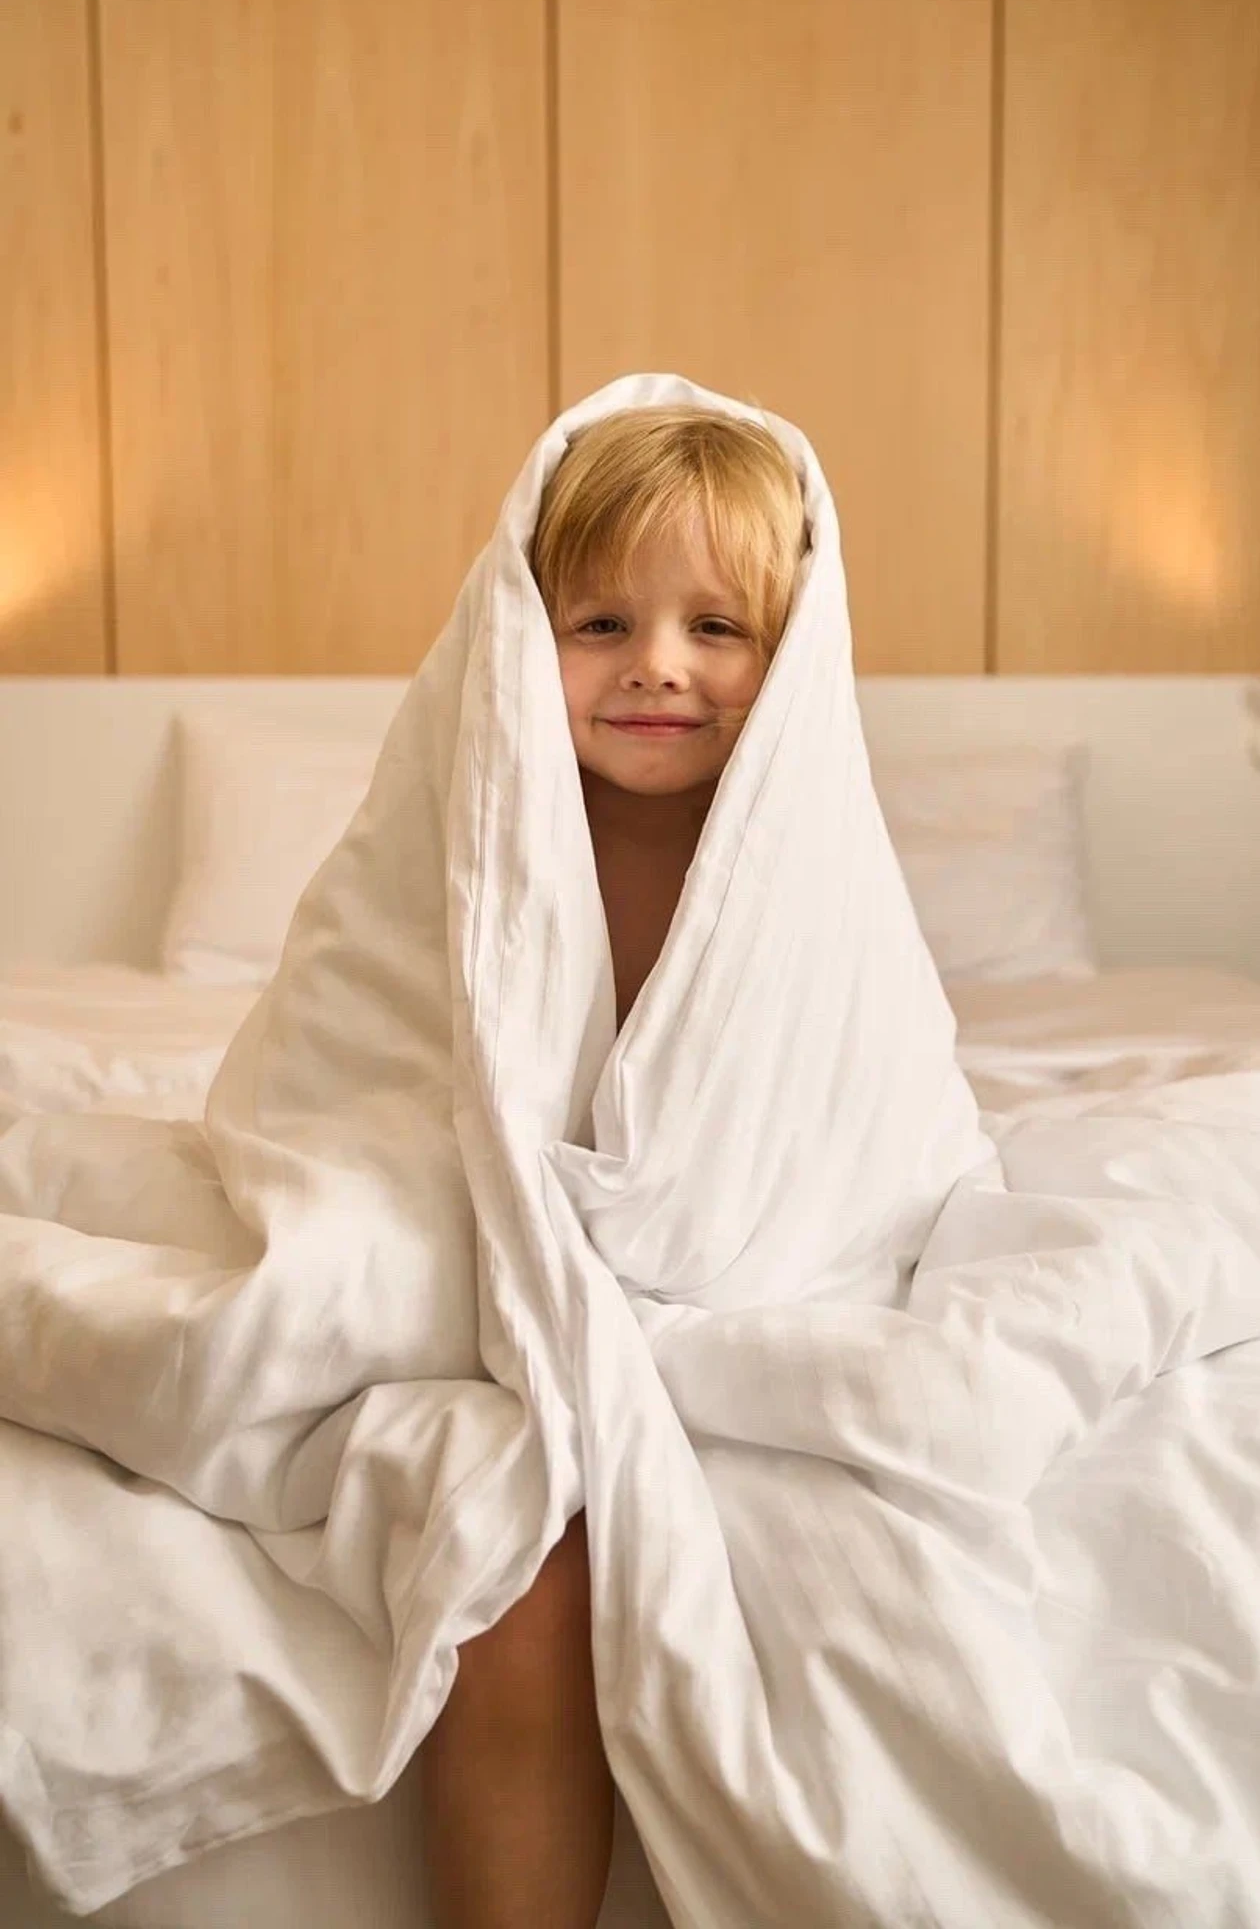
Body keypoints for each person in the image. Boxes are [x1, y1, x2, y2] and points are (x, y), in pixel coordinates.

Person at [420, 402, 807, 1929]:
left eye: (717, 625)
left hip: (715, 1276)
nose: (657, 664)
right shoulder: (477, 833)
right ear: (527, 637)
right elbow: (375, 1054)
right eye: (601, 623)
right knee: (519, 1563)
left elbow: (844, 1108)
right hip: (505, 1267)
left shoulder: (802, 862)